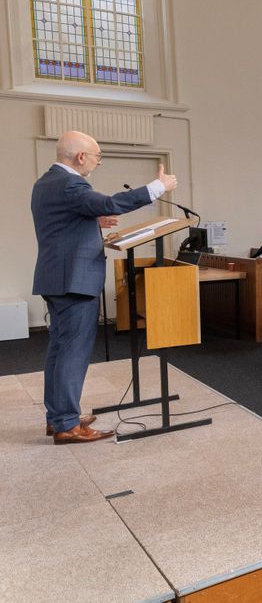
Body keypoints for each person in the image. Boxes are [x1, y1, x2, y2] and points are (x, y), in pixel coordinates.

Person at [32, 130, 178, 444]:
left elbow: (60, 222)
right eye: (98, 157)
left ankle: (59, 416)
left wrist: (91, 222)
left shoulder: (46, 182)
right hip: (73, 280)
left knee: (59, 351)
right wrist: (157, 187)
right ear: (81, 156)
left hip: (56, 276)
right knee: (72, 352)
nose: (97, 163)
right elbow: (112, 203)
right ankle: (67, 426)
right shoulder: (71, 183)